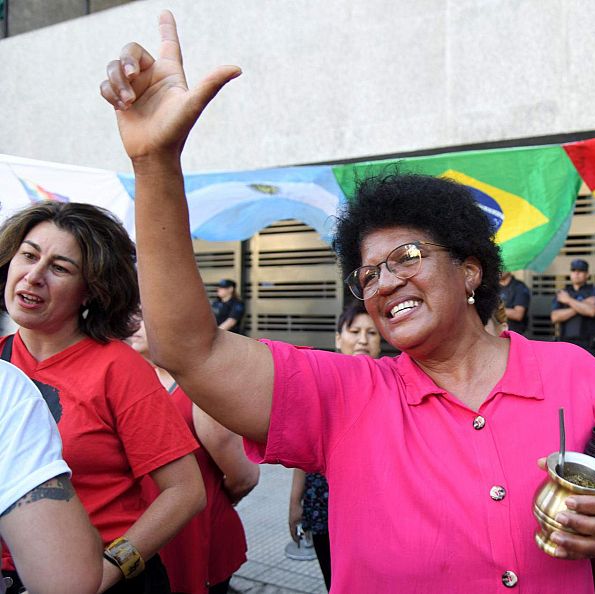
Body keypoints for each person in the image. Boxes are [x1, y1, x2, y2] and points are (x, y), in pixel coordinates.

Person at [101, 12, 595, 593]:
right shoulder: (345, 398)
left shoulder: (576, 376)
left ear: (470, 269)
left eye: (407, 258)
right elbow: (190, 349)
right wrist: (155, 165)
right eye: (367, 274)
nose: (384, 282)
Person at [0, 201, 205, 594]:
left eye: (60, 268)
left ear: (90, 290)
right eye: (28, 255)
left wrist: (111, 568)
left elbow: (185, 492)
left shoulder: (118, 368)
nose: (34, 275)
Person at [131, 319, 259, 594]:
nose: (134, 323)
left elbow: (244, 477)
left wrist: (207, 496)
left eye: (145, 315)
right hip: (141, 534)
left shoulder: (199, 389)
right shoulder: (127, 380)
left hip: (196, 531)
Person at [287, 303, 382, 591]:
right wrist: (295, 502)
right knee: (335, 581)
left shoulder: (391, 385)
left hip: (375, 507)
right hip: (322, 504)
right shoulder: (320, 386)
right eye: (354, 331)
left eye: (372, 333)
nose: (363, 339)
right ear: (338, 338)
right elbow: (305, 452)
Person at [0, 358, 102, 594]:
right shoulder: (6, 383)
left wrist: (121, 560)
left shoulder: (118, 365)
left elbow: (185, 489)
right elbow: (68, 578)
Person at [550, 259, 595, 359]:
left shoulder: (594, 291)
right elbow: (555, 317)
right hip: (566, 345)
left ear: (587, 274)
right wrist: (583, 305)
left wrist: (568, 301)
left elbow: (592, 311)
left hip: (589, 345)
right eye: (574, 270)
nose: (576, 273)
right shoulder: (563, 292)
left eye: (581, 271)